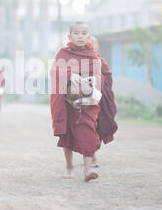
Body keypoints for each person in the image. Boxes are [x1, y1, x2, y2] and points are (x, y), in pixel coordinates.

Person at [50, 22, 103, 182]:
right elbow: (54, 71)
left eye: (83, 33)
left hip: (86, 101)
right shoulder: (63, 53)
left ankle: (87, 171)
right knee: (67, 135)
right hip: (67, 101)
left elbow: (100, 77)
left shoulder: (92, 55)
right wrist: (70, 74)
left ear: (88, 36)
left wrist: (92, 80)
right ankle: (69, 166)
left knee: (88, 132)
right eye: (76, 33)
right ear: (69, 36)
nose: (80, 36)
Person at [89, 36, 118, 168]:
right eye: (88, 43)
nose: (90, 45)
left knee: (97, 127)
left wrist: (98, 88)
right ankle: (91, 155)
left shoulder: (101, 62)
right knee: (86, 128)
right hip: (84, 101)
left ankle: (91, 153)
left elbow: (108, 78)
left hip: (100, 100)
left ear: (97, 47)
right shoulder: (78, 62)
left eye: (93, 43)